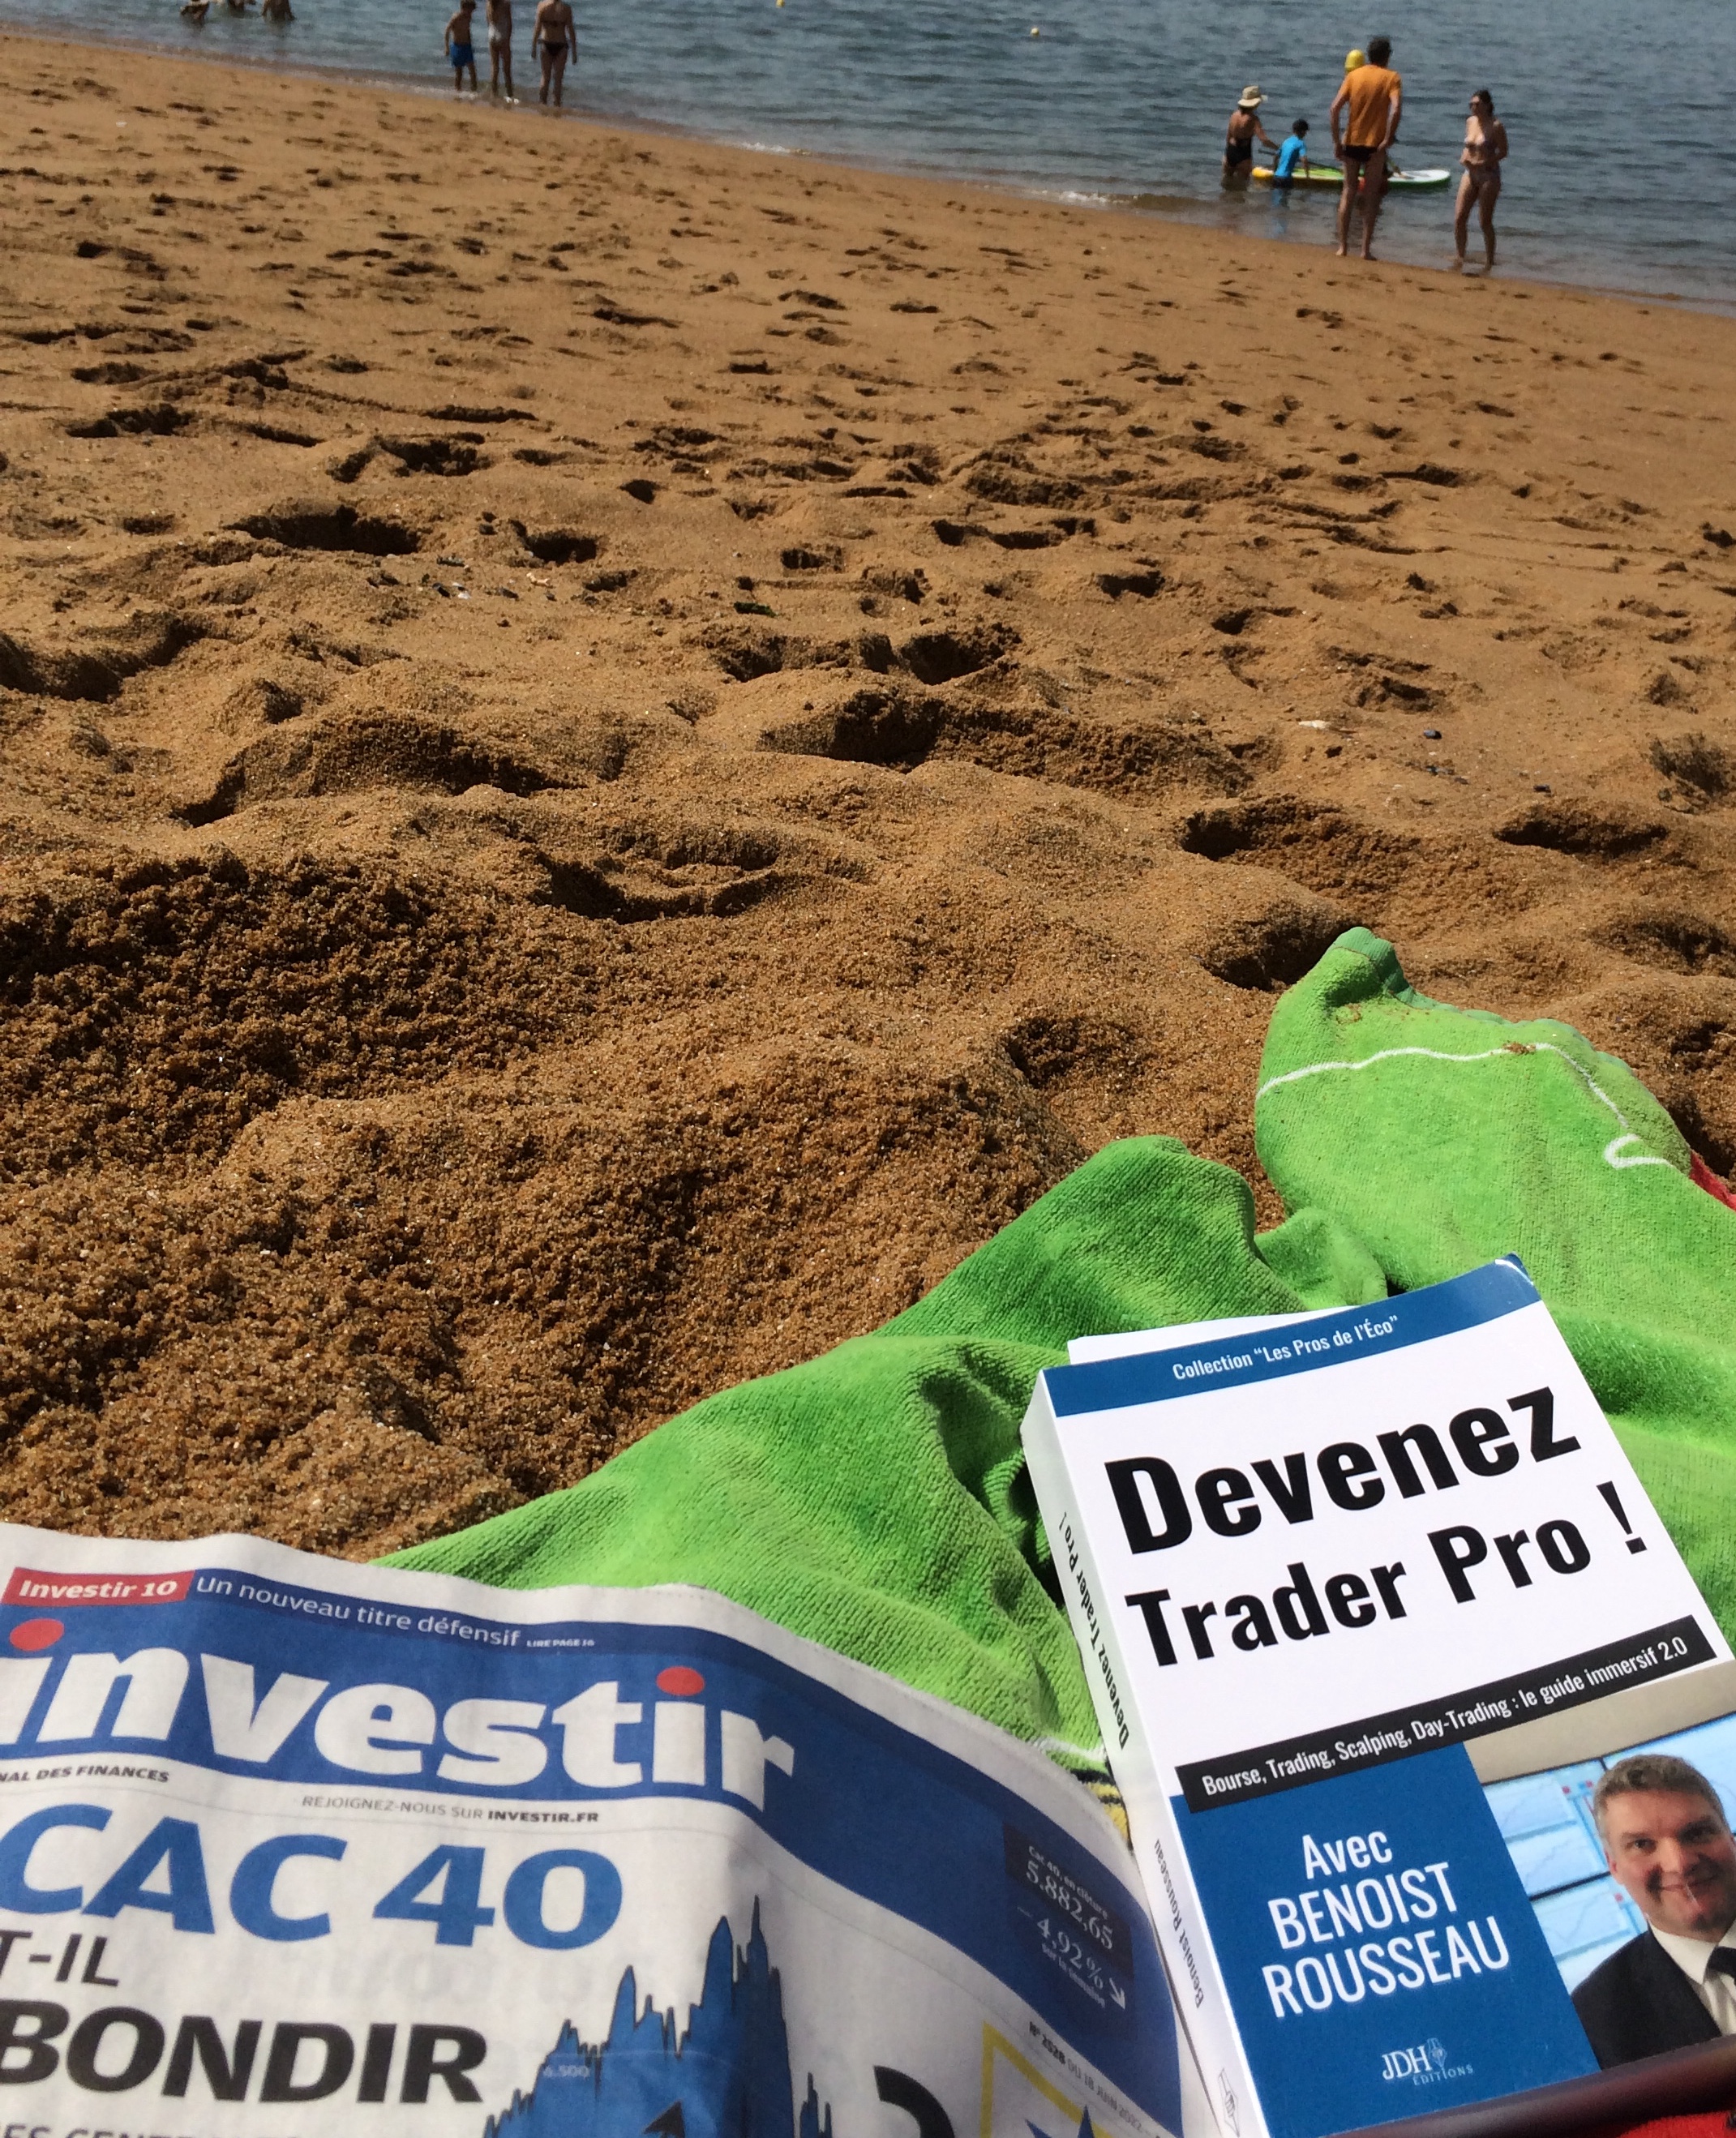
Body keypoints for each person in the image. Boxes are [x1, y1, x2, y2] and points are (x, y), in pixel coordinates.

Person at [1571, 1754, 1736, 2068]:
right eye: (1642, 1844)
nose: (1679, 1864)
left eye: (1697, 1833)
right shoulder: (1594, 2023)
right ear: (1614, 1866)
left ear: (1730, 1837)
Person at [1330, 35, 1401, 258]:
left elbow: (1334, 109)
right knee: (1371, 196)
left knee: (1348, 192)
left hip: (1352, 141)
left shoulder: (1354, 76)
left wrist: (1336, 141)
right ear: (1387, 56)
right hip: (1375, 145)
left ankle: (1342, 247)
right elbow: (1396, 109)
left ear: (1369, 55)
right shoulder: (1392, 78)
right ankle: (1365, 250)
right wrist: (1388, 137)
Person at [1453, 88, 1508, 271]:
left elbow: (1504, 152)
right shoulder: (1470, 122)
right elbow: (1468, 145)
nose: (1473, 107)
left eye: (1477, 104)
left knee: (1485, 221)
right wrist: (1464, 156)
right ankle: (1460, 256)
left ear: (1487, 105)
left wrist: (1485, 162)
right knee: (1460, 217)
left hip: (1489, 175)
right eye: (1471, 104)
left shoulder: (1496, 126)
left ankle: (1490, 261)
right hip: (1470, 173)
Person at [1223, 86, 1275, 186]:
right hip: (1243, 153)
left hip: (1230, 151)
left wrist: (1228, 152)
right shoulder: (1253, 119)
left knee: (1226, 182)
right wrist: (1278, 148)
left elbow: (1228, 136)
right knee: (1243, 185)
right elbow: (1264, 140)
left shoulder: (1234, 115)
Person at [532, 0, 575, 105]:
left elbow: (537, 28)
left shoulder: (542, 6)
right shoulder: (566, 9)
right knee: (558, 79)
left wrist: (534, 46)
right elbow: (571, 30)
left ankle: (542, 104)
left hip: (546, 43)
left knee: (545, 77)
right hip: (561, 45)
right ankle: (557, 105)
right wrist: (574, 51)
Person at [445, 0, 478, 94]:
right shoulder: (456, 17)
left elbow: (467, 30)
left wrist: (470, 44)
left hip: (467, 46)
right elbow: (447, 31)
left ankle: (474, 91)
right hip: (457, 46)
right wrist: (447, 47)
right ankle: (457, 90)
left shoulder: (469, 17)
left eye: (472, 11)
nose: (471, 13)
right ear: (463, 8)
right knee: (459, 72)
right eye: (470, 10)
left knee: (472, 69)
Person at [486, 0, 515, 99]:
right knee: (507, 68)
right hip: (502, 35)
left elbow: (488, 20)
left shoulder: (488, 3)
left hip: (492, 34)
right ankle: (510, 94)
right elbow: (509, 23)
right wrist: (508, 38)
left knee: (494, 67)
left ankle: (493, 93)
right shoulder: (505, 4)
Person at [1273, 118, 1311, 188]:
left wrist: (1275, 170)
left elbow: (1275, 156)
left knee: (1276, 194)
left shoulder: (1286, 141)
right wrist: (1307, 177)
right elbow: (1304, 160)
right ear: (1302, 131)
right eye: (1305, 131)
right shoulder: (1300, 143)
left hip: (1276, 176)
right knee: (1286, 194)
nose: (1305, 134)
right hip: (1286, 178)